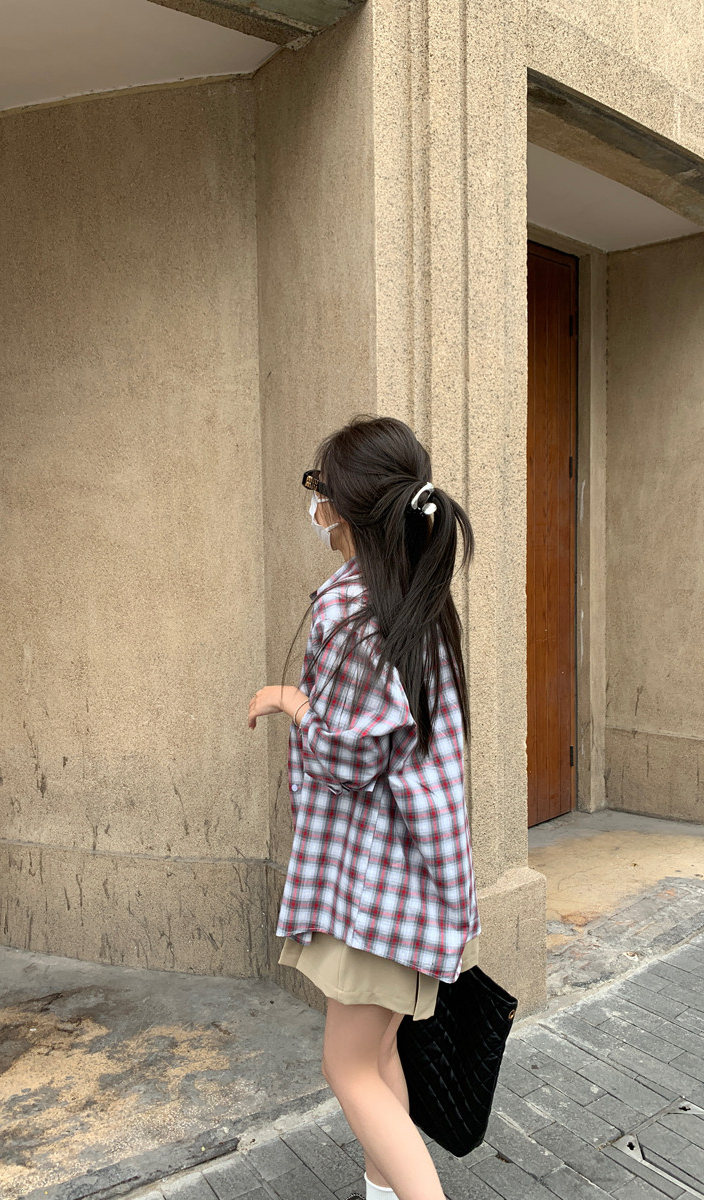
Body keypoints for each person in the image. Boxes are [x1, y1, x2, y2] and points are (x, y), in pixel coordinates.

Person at [247, 415, 481, 1200]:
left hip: (378, 889)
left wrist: (293, 703)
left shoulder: (353, 609)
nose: (313, 504)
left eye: (318, 487)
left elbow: (351, 758)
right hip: (410, 882)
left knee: (346, 1067)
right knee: (378, 1058)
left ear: (344, 506)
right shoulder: (413, 599)